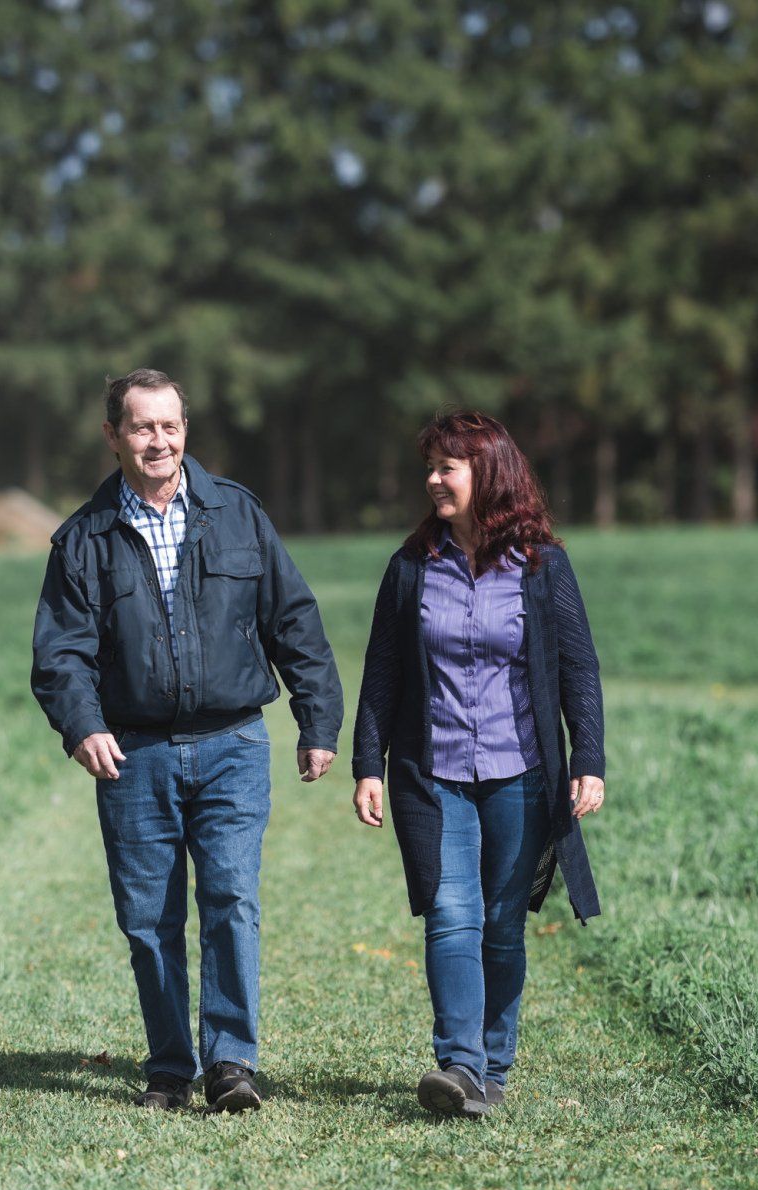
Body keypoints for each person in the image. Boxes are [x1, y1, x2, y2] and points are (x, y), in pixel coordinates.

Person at [32, 368, 341, 1113]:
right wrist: (83, 724)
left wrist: (318, 718)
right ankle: (170, 1065)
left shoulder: (237, 513)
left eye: (169, 425)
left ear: (185, 429)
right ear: (114, 437)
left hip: (233, 741)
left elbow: (292, 618)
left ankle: (231, 1062)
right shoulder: (83, 539)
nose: (158, 440)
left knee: (232, 896)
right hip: (133, 754)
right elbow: (59, 654)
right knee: (149, 918)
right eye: (142, 427)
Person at [350, 409, 605, 1119]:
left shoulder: (542, 565)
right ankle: (458, 1064)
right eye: (429, 466)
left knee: (501, 921)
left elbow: (579, 667)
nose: (432, 479)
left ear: (488, 472)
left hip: (521, 770)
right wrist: (367, 761)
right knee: (451, 912)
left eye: (446, 466)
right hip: (433, 774)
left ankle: (493, 1065)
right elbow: (383, 672)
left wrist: (588, 755)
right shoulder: (410, 567)